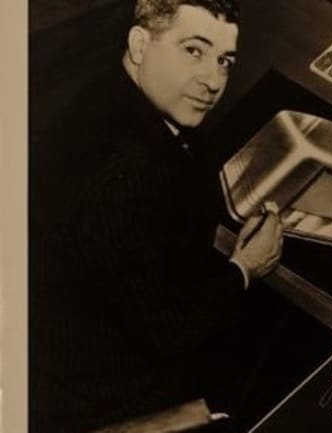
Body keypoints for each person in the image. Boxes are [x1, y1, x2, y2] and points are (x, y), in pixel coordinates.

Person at [29, 0, 285, 431]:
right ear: (139, 43)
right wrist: (244, 268)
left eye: (225, 60)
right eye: (193, 51)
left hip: (70, 332)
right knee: (279, 358)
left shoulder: (109, 94)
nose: (213, 80)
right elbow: (164, 331)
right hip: (85, 391)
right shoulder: (128, 170)